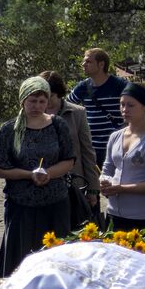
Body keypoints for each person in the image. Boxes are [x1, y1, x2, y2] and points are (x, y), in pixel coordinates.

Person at [0, 77, 76, 277]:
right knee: (22, 259)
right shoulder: (9, 130)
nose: (37, 106)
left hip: (55, 202)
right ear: (22, 100)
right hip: (21, 204)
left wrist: (48, 173)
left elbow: (69, 159)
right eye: (32, 101)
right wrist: (30, 175)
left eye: (42, 101)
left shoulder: (58, 125)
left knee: (55, 257)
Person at [99, 83, 145, 240]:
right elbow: (107, 169)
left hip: (139, 218)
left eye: (131, 105)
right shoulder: (116, 136)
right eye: (122, 104)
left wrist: (122, 189)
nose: (125, 109)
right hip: (112, 215)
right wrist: (104, 182)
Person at [41, 70, 99, 223]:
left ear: (59, 93)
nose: (46, 101)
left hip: (73, 184)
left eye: (50, 96)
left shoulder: (77, 113)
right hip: (43, 184)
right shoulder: (34, 113)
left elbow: (87, 152)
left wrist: (93, 188)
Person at [67, 47, 126, 168]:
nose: (83, 64)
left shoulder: (119, 85)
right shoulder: (83, 87)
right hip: (91, 149)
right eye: (84, 61)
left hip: (116, 147)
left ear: (101, 64)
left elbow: (139, 101)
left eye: (88, 61)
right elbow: (65, 106)